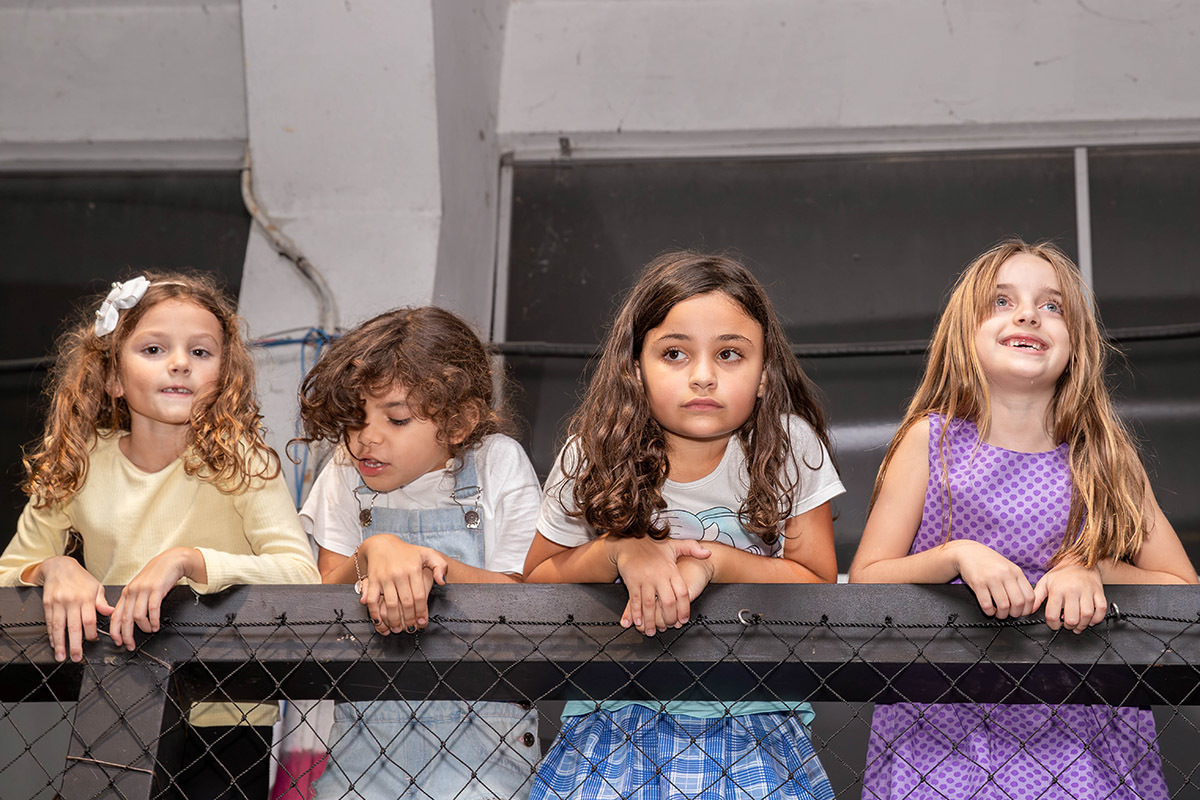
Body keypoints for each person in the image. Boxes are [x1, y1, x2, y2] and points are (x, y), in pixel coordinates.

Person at [848, 239, 1198, 800]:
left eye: (1052, 306)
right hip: (944, 722)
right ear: (965, 332)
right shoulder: (929, 440)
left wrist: (1091, 568)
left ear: (1077, 343)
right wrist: (955, 555)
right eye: (1002, 301)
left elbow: (1183, 586)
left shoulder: (1102, 455)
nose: (1029, 314)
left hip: (1080, 726)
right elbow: (866, 577)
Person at [525, 251, 843, 800]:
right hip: (613, 723)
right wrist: (623, 550)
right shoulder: (592, 451)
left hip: (756, 724)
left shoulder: (790, 446)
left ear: (764, 374)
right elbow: (534, 581)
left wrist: (715, 562)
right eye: (674, 353)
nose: (703, 375)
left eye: (729, 354)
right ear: (634, 368)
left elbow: (817, 580)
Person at [0, 272, 321, 799]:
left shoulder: (244, 462)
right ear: (112, 378)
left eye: (200, 352)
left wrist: (190, 561)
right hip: (115, 700)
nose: (179, 364)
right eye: (154, 348)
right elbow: (11, 570)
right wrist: (55, 568)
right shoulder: (77, 464)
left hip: (227, 707)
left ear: (225, 374)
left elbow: (300, 576)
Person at [296, 307, 542, 800]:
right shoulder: (344, 473)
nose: (368, 436)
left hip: (485, 743)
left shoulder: (496, 462)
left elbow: (530, 598)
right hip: (365, 737)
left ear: (459, 421)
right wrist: (373, 550)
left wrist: (434, 567)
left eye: (397, 417)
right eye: (356, 417)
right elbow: (322, 597)